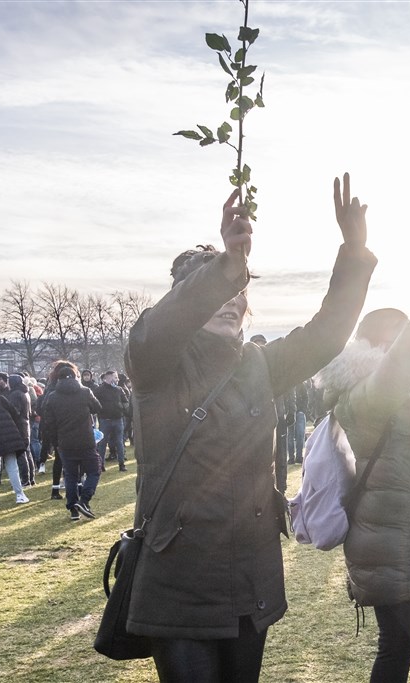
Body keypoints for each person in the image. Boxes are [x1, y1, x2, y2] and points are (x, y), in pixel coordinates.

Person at [123, 175, 376, 682]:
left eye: (241, 290)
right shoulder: (156, 364)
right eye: (220, 289)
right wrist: (226, 264)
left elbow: (326, 334)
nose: (231, 300)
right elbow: (160, 328)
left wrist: (353, 253)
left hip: (248, 575)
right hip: (180, 580)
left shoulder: (258, 365)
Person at [317, 279, 410, 683]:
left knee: (396, 647)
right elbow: (394, 373)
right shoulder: (365, 394)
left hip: (402, 541)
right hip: (400, 547)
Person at [40, 362, 103, 520]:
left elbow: (49, 422)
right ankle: (85, 500)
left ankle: (73, 509)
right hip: (86, 440)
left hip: (65, 442)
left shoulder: (53, 397)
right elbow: (97, 408)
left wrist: (57, 442)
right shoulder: (85, 391)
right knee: (94, 470)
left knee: (70, 476)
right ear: (76, 376)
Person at [95, 370, 130, 471]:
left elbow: (125, 401)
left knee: (119, 442)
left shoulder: (119, 389)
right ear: (108, 377)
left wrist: (122, 410)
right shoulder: (99, 390)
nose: (117, 379)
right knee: (102, 443)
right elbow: (93, 402)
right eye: (115, 377)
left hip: (118, 419)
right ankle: (100, 465)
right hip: (105, 420)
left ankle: (122, 464)